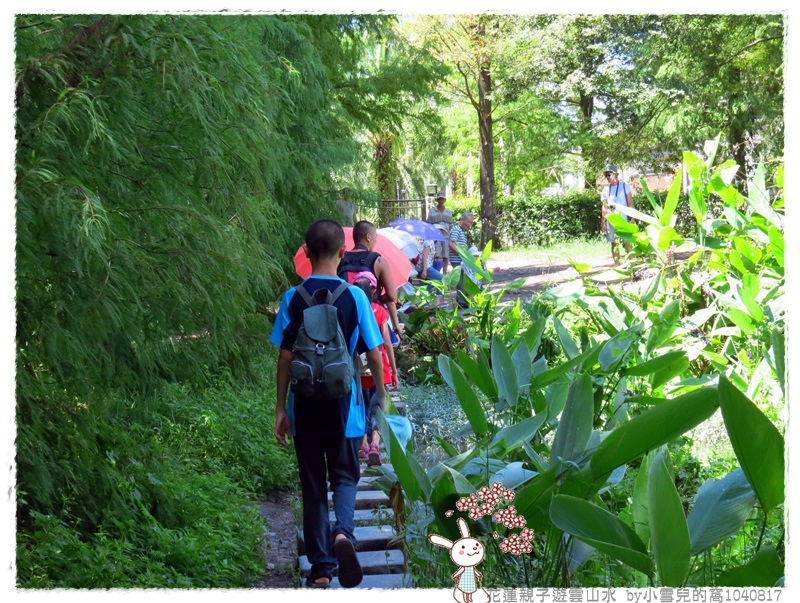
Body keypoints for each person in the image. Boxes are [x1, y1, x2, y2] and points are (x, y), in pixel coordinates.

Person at [271, 219, 387, 589]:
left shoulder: (293, 297)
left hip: (304, 404)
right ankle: (344, 535)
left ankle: (320, 569)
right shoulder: (354, 296)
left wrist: (280, 408)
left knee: (312, 483)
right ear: (342, 253)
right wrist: (380, 394)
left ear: (305, 253)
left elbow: (285, 358)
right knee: (345, 474)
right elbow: (374, 352)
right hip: (345, 404)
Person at [351, 271, 398, 467]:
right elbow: (387, 343)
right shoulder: (379, 311)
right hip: (378, 367)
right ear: (372, 290)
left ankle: (362, 445)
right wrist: (394, 371)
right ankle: (375, 444)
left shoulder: (351, 310)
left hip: (357, 368)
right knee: (378, 405)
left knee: (361, 404)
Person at [338, 220, 404, 339]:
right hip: (370, 317)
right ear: (368, 237)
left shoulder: (340, 259)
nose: (375, 241)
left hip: (344, 316)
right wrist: (376, 299)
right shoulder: (378, 261)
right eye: (375, 237)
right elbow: (392, 296)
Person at [600, 164, 633, 266]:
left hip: (623, 219)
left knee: (626, 242)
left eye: (610, 174)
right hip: (611, 220)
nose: (608, 177)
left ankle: (632, 261)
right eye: (606, 175)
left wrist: (632, 219)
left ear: (616, 175)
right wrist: (603, 223)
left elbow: (630, 203)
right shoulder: (605, 189)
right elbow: (604, 207)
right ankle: (617, 263)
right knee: (614, 243)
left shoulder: (625, 186)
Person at [448, 212, 475, 308]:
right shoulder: (456, 230)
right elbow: (451, 243)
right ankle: (461, 302)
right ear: (462, 220)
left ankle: (463, 300)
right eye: (468, 222)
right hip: (457, 259)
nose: (469, 225)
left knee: (464, 279)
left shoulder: (461, 231)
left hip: (461, 260)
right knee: (460, 280)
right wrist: (461, 253)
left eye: (471, 223)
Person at [426, 191, 454, 274]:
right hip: (436, 236)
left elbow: (451, 224)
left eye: (442, 199)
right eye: (439, 199)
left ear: (444, 200)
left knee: (446, 255)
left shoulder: (448, 212)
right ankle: (437, 272)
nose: (441, 200)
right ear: (437, 200)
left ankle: (444, 272)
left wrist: (447, 232)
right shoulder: (432, 211)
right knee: (437, 254)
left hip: (446, 236)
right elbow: (429, 224)